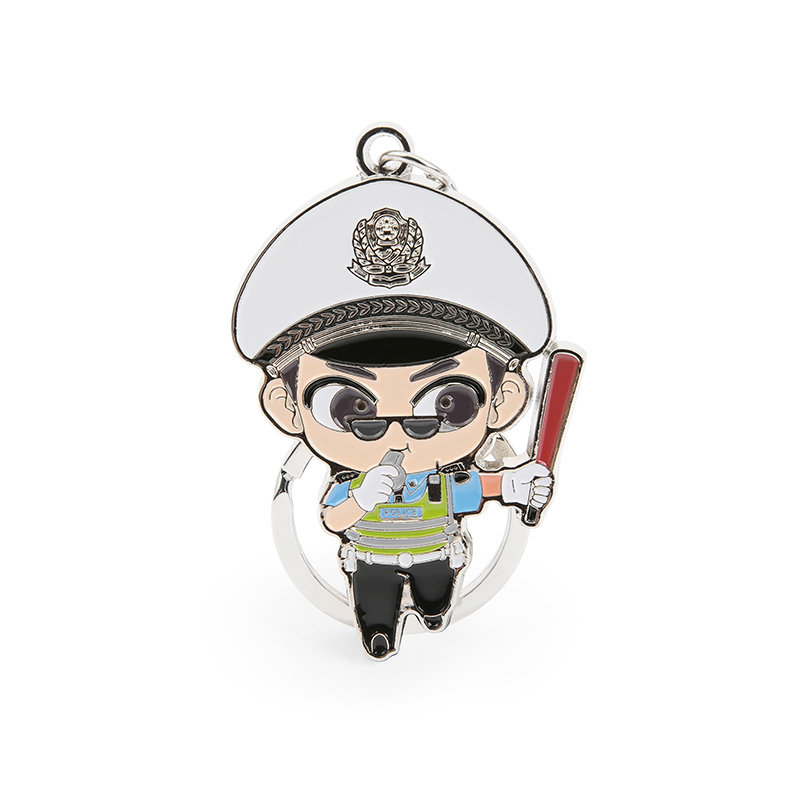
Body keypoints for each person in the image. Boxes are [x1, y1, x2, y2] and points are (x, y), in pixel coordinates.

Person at [234, 179, 555, 658]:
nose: (398, 430)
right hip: (371, 560)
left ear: (503, 401)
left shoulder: (440, 482)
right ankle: (380, 629)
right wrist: (362, 498)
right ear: (286, 405)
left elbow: (478, 488)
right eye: (350, 408)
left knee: (435, 593)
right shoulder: (352, 484)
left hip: (435, 552)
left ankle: (433, 606)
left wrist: (514, 483)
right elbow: (334, 516)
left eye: (445, 404)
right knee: (375, 602)